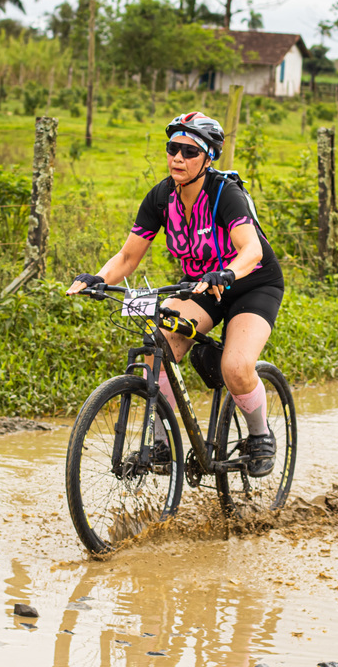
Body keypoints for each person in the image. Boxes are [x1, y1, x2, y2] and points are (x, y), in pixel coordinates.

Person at [66, 112, 285, 477]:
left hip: (252, 283)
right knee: (158, 345)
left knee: (235, 367)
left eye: (189, 151)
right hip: (201, 285)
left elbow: (251, 250)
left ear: (208, 158)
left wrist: (229, 271)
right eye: (172, 149)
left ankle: (260, 436)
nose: (178, 158)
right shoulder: (161, 197)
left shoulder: (225, 194)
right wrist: (98, 278)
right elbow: (128, 257)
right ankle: (162, 444)